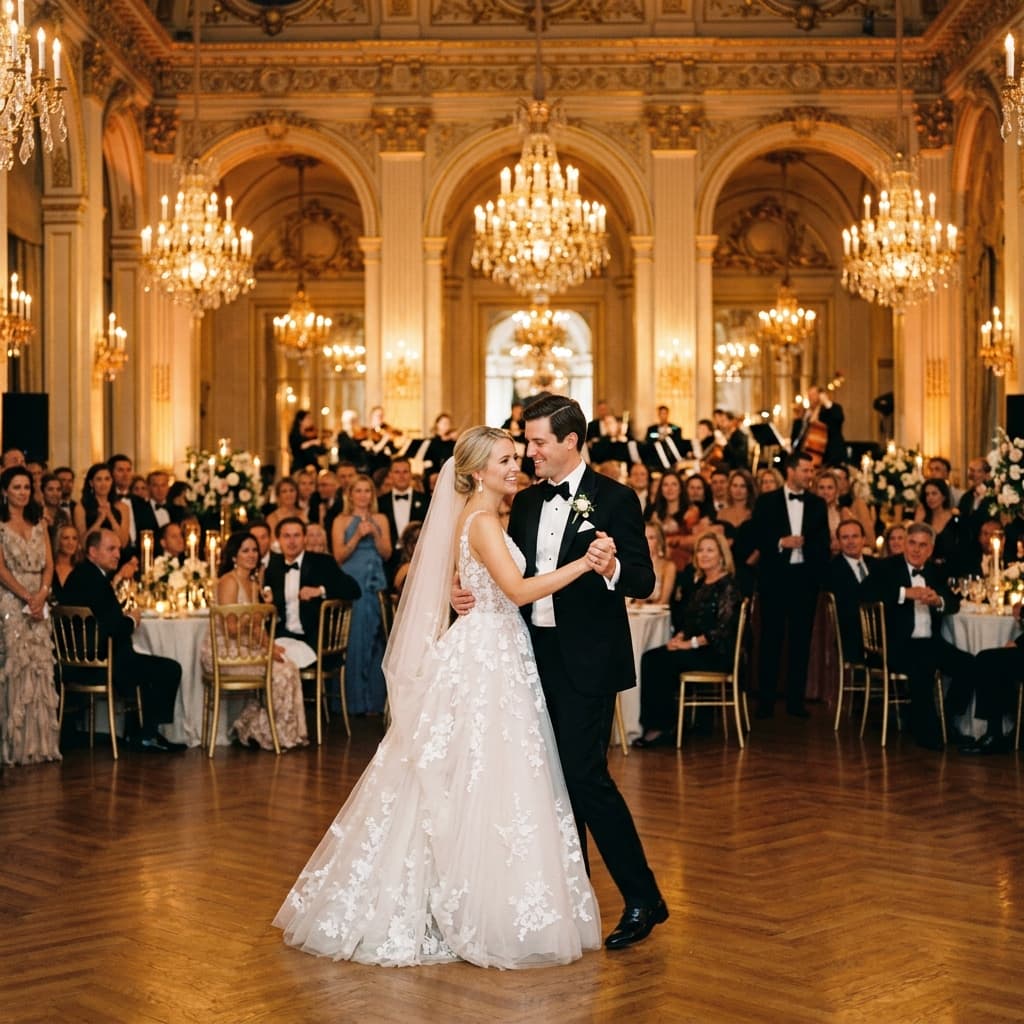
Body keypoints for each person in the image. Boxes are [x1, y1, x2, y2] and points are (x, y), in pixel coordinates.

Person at [274, 428, 604, 966]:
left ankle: (482, 895)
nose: (515, 467)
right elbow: (518, 592)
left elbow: (479, 584)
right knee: (483, 775)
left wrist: (464, 591)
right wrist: (585, 564)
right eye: (505, 460)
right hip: (487, 654)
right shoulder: (482, 521)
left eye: (516, 458)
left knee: (481, 776)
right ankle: (477, 905)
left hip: (491, 646)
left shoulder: (476, 518)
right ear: (477, 472)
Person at [493, 394, 666, 950]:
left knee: (586, 776)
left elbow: (644, 581)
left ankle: (643, 898)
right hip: (528, 657)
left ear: (571, 441)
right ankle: (574, 897)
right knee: (550, 784)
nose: (529, 451)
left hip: (586, 660)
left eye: (538, 441)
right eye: (527, 440)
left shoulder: (616, 498)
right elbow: (512, 574)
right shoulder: (523, 502)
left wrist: (612, 565)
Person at [59, 528, 185, 753]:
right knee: (169, 669)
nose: (118, 554)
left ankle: (138, 732)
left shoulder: (81, 574)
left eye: (118, 549)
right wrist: (132, 620)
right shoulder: (95, 580)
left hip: (76, 663)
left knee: (147, 666)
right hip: (101, 664)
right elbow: (115, 629)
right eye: (111, 549)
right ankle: (145, 735)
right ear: (92, 551)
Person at [862, 522, 973, 751]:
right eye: (912, 543)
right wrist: (905, 593)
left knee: (969, 664)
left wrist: (938, 601)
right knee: (923, 666)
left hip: (930, 642)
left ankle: (947, 720)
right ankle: (928, 734)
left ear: (930, 549)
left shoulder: (935, 571)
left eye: (922, 545)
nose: (916, 549)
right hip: (896, 644)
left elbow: (953, 601)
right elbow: (865, 593)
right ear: (904, 543)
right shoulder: (886, 567)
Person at [632, 531, 742, 747]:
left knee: (660, 662)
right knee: (651, 656)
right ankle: (658, 724)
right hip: (696, 647)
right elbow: (691, 623)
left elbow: (721, 631)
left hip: (715, 653)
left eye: (710, 550)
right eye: (700, 550)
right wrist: (678, 638)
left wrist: (687, 644)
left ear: (722, 555)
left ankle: (661, 729)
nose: (704, 555)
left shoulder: (728, 586)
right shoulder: (702, 583)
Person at [201, 532, 309, 751]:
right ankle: (267, 733)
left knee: (289, 666)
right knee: (281, 674)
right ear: (234, 556)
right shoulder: (228, 582)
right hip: (226, 652)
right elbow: (231, 629)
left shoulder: (251, 583)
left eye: (254, 550)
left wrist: (270, 646)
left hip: (246, 648)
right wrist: (258, 614)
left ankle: (284, 733)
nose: (251, 555)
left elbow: (256, 627)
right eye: (245, 550)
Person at [751, 450, 830, 718]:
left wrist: (810, 557)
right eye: (806, 470)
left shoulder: (818, 505)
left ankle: (796, 702)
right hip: (774, 579)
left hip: (804, 581)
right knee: (770, 640)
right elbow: (758, 536)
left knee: (801, 641)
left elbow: (824, 544)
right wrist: (780, 543)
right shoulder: (766, 501)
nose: (810, 475)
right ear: (791, 470)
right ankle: (765, 702)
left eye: (811, 471)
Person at [0, 467, 61, 765]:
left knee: (40, 667)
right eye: (16, 487)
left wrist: (42, 594)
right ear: (4, 492)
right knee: (17, 666)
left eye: (26, 487)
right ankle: (15, 746)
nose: (23, 492)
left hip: (39, 598)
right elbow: (0, 569)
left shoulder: (39, 523)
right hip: (12, 601)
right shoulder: (0, 526)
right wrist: (26, 596)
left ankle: (40, 745)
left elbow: (49, 564)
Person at [263, 518, 361, 668]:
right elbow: (266, 588)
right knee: (267, 655)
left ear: (304, 538)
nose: (291, 541)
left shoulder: (322, 562)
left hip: (315, 641)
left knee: (278, 661)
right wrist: (266, 591)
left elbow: (354, 589)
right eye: (286, 536)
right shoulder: (274, 567)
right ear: (278, 540)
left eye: (296, 535)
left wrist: (320, 590)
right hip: (283, 636)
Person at [331, 474, 392, 715]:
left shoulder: (381, 518)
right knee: (354, 639)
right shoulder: (341, 520)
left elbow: (387, 553)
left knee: (376, 638)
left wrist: (374, 534)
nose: (363, 495)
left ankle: (373, 702)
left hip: (374, 582)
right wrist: (357, 535)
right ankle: (352, 701)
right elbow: (338, 557)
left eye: (367, 491)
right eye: (358, 490)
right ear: (351, 494)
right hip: (352, 583)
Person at [823, 519, 875, 662]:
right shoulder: (830, 570)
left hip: (881, 632)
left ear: (863, 539)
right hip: (851, 636)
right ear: (838, 542)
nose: (850, 541)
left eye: (855, 536)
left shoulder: (878, 565)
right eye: (845, 537)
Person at [378, 456, 429, 579]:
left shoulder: (427, 501)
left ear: (411, 474)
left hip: (420, 561)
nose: (401, 476)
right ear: (390, 475)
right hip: (388, 564)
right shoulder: (380, 503)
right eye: (397, 472)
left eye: (405, 472)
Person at [74, 463, 130, 549]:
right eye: (99, 479)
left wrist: (111, 517)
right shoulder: (81, 507)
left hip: (117, 555)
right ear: (91, 483)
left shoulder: (123, 507)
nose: (103, 484)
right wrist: (100, 519)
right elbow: (83, 543)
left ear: (112, 482)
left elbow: (124, 543)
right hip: (92, 556)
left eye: (107, 479)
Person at [792, 384, 846, 466]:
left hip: (828, 457)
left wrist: (826, 401)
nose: (811, 398)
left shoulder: (830, 409)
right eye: (809, 395)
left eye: (813, 395)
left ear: (821, 396)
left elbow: (838, 418)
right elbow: (798, 433)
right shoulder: (805, 413)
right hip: (809, 454)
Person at [913, 477, 959, 567]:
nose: (930, 498)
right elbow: (914, 544)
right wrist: (918, 521)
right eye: (927, 494)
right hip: (927, 567)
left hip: (951, 567)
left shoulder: (955, 519)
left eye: (934, 494)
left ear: (943, 496)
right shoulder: (923, 518)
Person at [635, 522, 677, 606]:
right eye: (644, 537)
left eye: (651, 538)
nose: (646, 541)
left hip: (658, 616)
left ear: (659, 542)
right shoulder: (636, 565)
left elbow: (663, 601)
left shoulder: (668, 566)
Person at [51, 523, 83, 600]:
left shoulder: (82, 570)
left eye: (74, 538)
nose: (71, 542)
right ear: (57, 541)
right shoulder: (49, 568)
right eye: (66, 538)